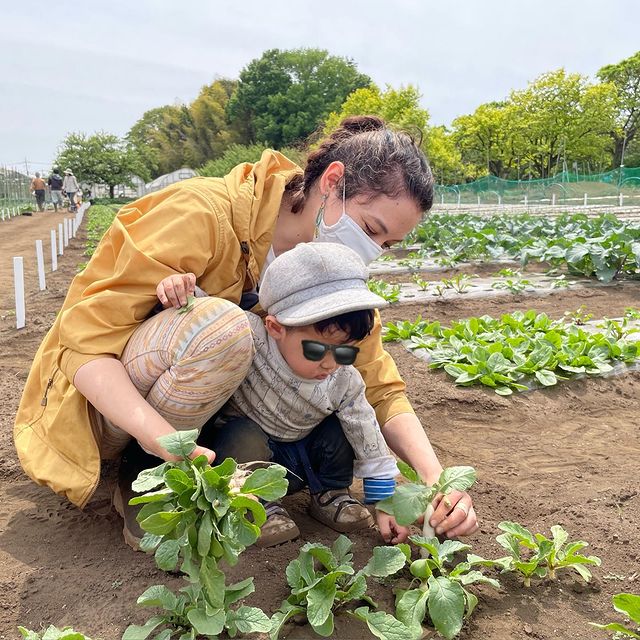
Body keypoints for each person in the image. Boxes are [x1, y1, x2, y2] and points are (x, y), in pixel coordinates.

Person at [14, 115, 478, 551]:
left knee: (329, 366)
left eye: (387, 245)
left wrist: (437, 483)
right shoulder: (203, 214)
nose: (372, 250)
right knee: (226, 329)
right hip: (112, 405)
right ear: (332, 182)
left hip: (217, 423)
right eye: (371, 229)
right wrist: (164, 446)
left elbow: (377, 384)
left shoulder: (334, 274)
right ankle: (144, 475)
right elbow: (85, 349)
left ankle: (219, 467)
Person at [150, 242, 404, 548]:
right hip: (252, 457)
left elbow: (367, 433)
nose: (330, 363)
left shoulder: (343, 380)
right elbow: (210, 318)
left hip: (303, 462)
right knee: (240, 435)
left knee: (343, 430)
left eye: (345, 350)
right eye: (316, 349)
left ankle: (332, 493)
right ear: (275, 327)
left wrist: (384, 500)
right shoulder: (251, 336)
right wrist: (182, 291)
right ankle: (257, 504)